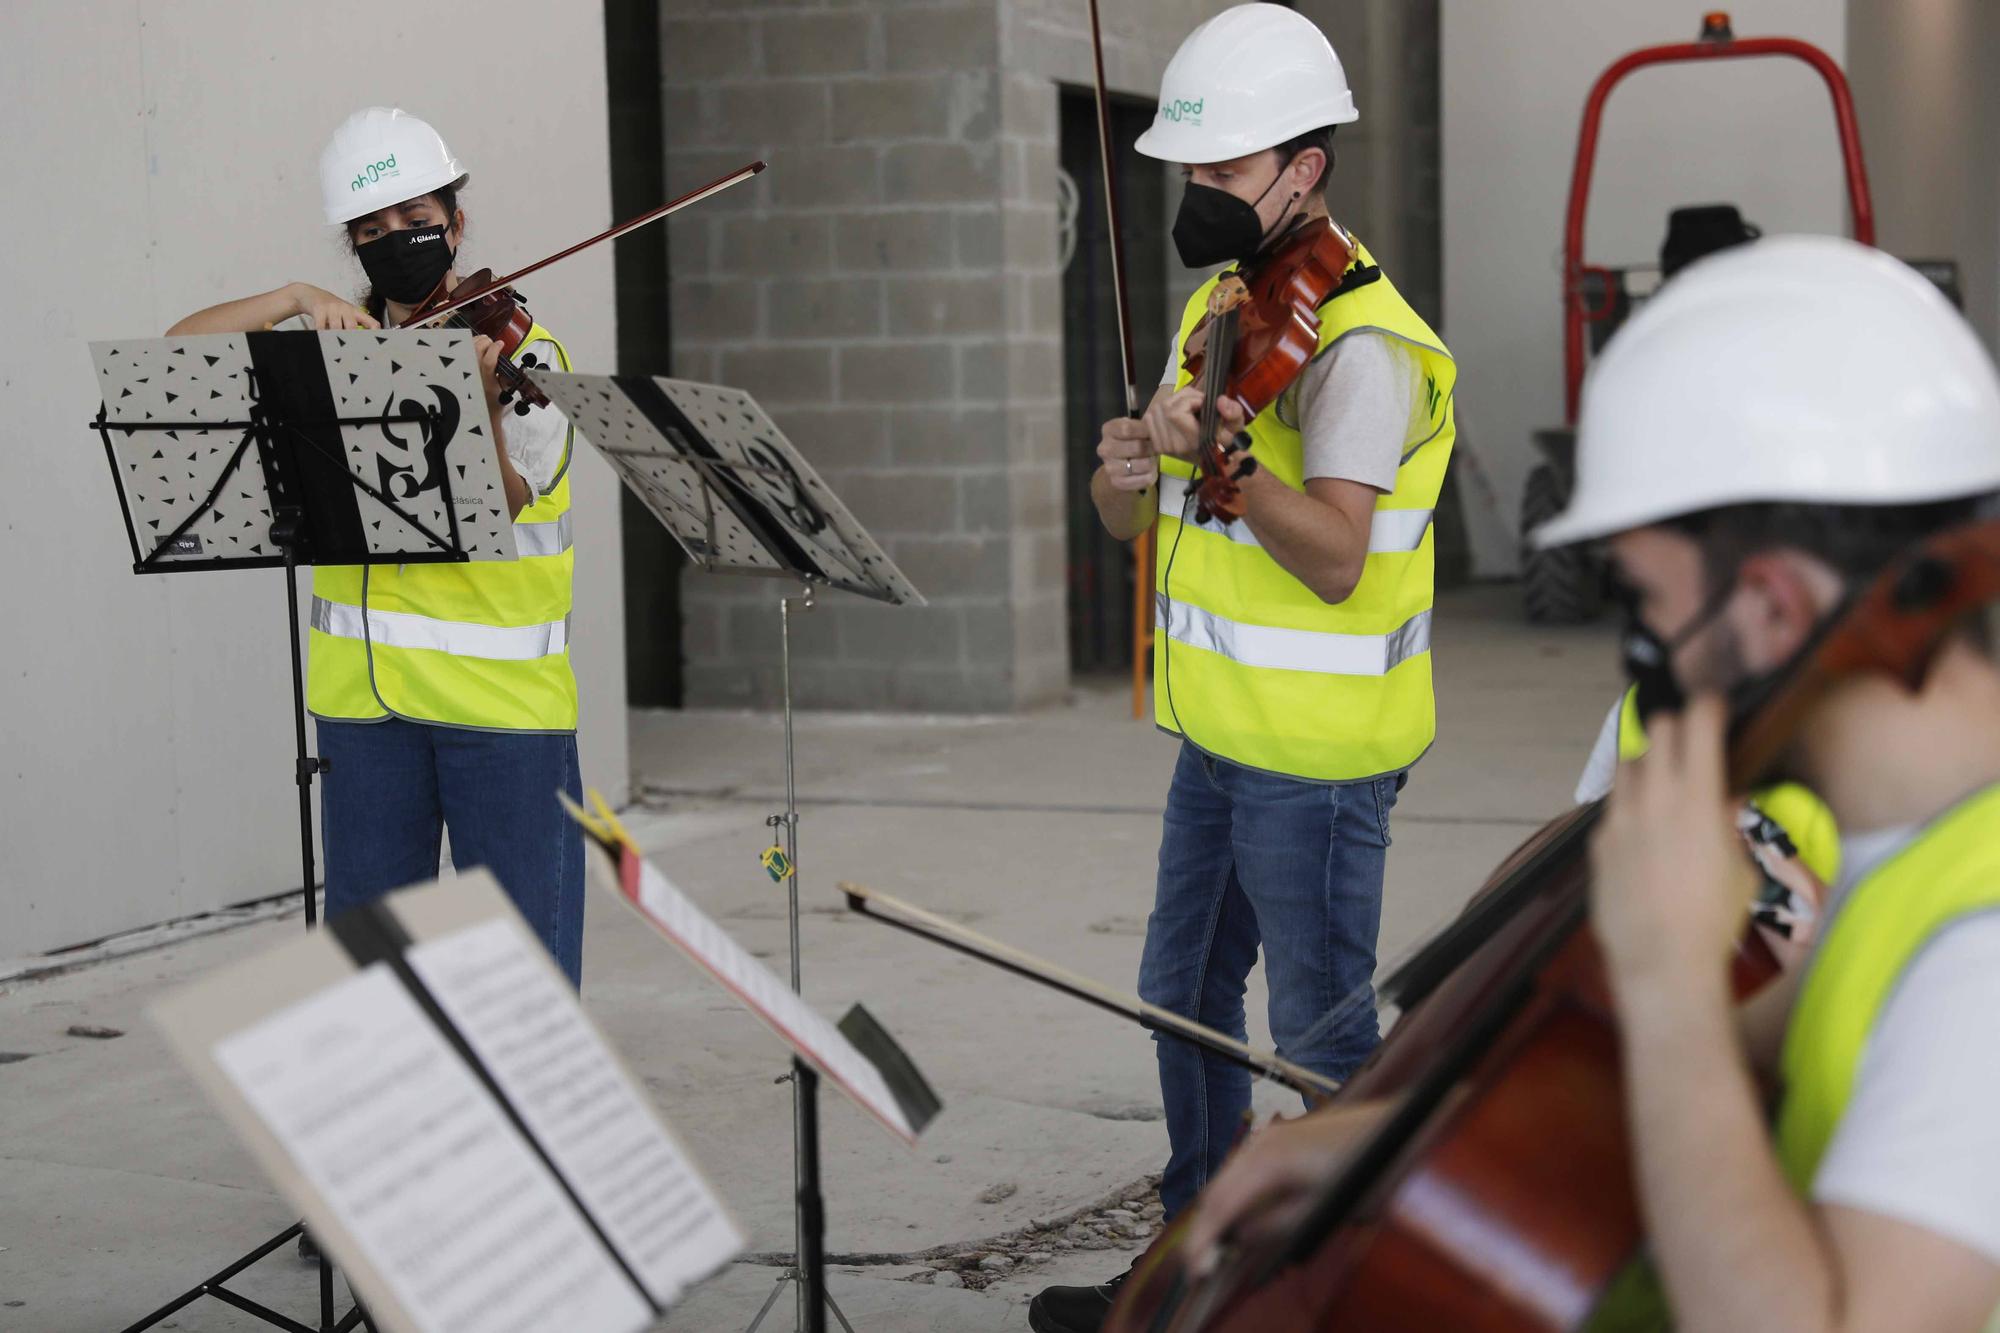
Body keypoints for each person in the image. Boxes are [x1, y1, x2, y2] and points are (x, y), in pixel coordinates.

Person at [1176, 237, 2000, 1329]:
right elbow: (1756, 1060)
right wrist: (1397, 1134)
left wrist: (1663, 983)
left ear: (1770, 608)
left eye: (1650, 605)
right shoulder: (1906, 846)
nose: (1644, 653)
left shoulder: (1979, 951)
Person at [1030, 7, 1457, 1329]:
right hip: (1221, 738)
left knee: (1323, 1032)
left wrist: (1226, 464)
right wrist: (1127, 472)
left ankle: (1365, 1282)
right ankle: (1195, 1265)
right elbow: (1140, 519)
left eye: (1224, 175)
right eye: (1191, 174)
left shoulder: (1362, 350)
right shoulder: (1228, 308)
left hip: (1318, 760)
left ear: (1304, 170)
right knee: (1185, 995)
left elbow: (1331, 554)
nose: (1199, 196)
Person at [167, 107, 585, 985]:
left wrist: (476, 409)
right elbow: (179, 354)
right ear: (353, 248)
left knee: (521, 983)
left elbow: (508, 503)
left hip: (500, 712)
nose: (397, 243)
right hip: (361, 713)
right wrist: (291, 299)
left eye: (417, 222)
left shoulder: (527, 353)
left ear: (455, 222)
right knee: (377, 982)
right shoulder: (336, 346)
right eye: (373, 231)